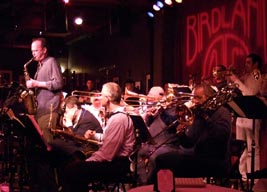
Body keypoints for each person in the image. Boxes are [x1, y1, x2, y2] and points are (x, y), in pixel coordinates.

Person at [61, 82, 135, 192]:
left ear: (108, 98)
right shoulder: (116, 117)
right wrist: (95, 135)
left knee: (73, 170)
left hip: (117, 165)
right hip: (114, 161)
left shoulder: (118, 119)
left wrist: (89, 160)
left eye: (102, 95)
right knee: (73, 167)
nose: (99, 97)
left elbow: (107, 154)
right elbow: (108, 138)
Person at [155, 83, 232, 184]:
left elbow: (221, 137)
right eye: (194, 98)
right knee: (162, 159)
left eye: (198, 98)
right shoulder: (199, 114)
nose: (195, 101)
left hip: (216, 159)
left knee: (172, 163)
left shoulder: (222, 112)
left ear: (209, 98)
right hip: (199, 156)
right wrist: (181, 134)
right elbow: (189, 143)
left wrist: (206, 118)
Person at [229, 53, 265, 183]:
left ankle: (252, 177)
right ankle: (242, 175)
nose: (246, 65)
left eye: (249, 63)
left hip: (252, 116)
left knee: (252, 148)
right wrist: (232, 77)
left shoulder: (256, 74)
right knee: (241, 148)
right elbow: (237, 88)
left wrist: (236, 80)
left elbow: (250, 93)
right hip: (241, 115)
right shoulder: (246, 75)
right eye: (246, 62)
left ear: (256, 64)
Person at [137, 86, 179, 185]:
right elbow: (149, 124)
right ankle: (143, 181)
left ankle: (152, 183)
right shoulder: (158, 109)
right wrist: (150, 116)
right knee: (138, 152)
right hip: (154, 142)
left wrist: (163, 110)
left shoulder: (176, 110)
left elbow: (171, 124)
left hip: (168, 145)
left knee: (153, 157)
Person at [26, 37, 64, 144]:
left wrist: (36, 83)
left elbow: (59, 83)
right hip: (41, 110)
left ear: (44, 50)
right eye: (32, 51)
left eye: (36, 50)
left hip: (49, 110)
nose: (33, 53)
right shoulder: (40, 65)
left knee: (48, 144)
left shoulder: (51, 61)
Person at [50, 95, 102, 160]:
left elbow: (77, 140)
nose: (66, 115)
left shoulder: (87, 119)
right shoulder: (79, 114)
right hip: (79, 144)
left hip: (87, 149)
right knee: (54, 143)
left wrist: (69, 123)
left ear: (75, 107)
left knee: (56, 145)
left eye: (67, 112)